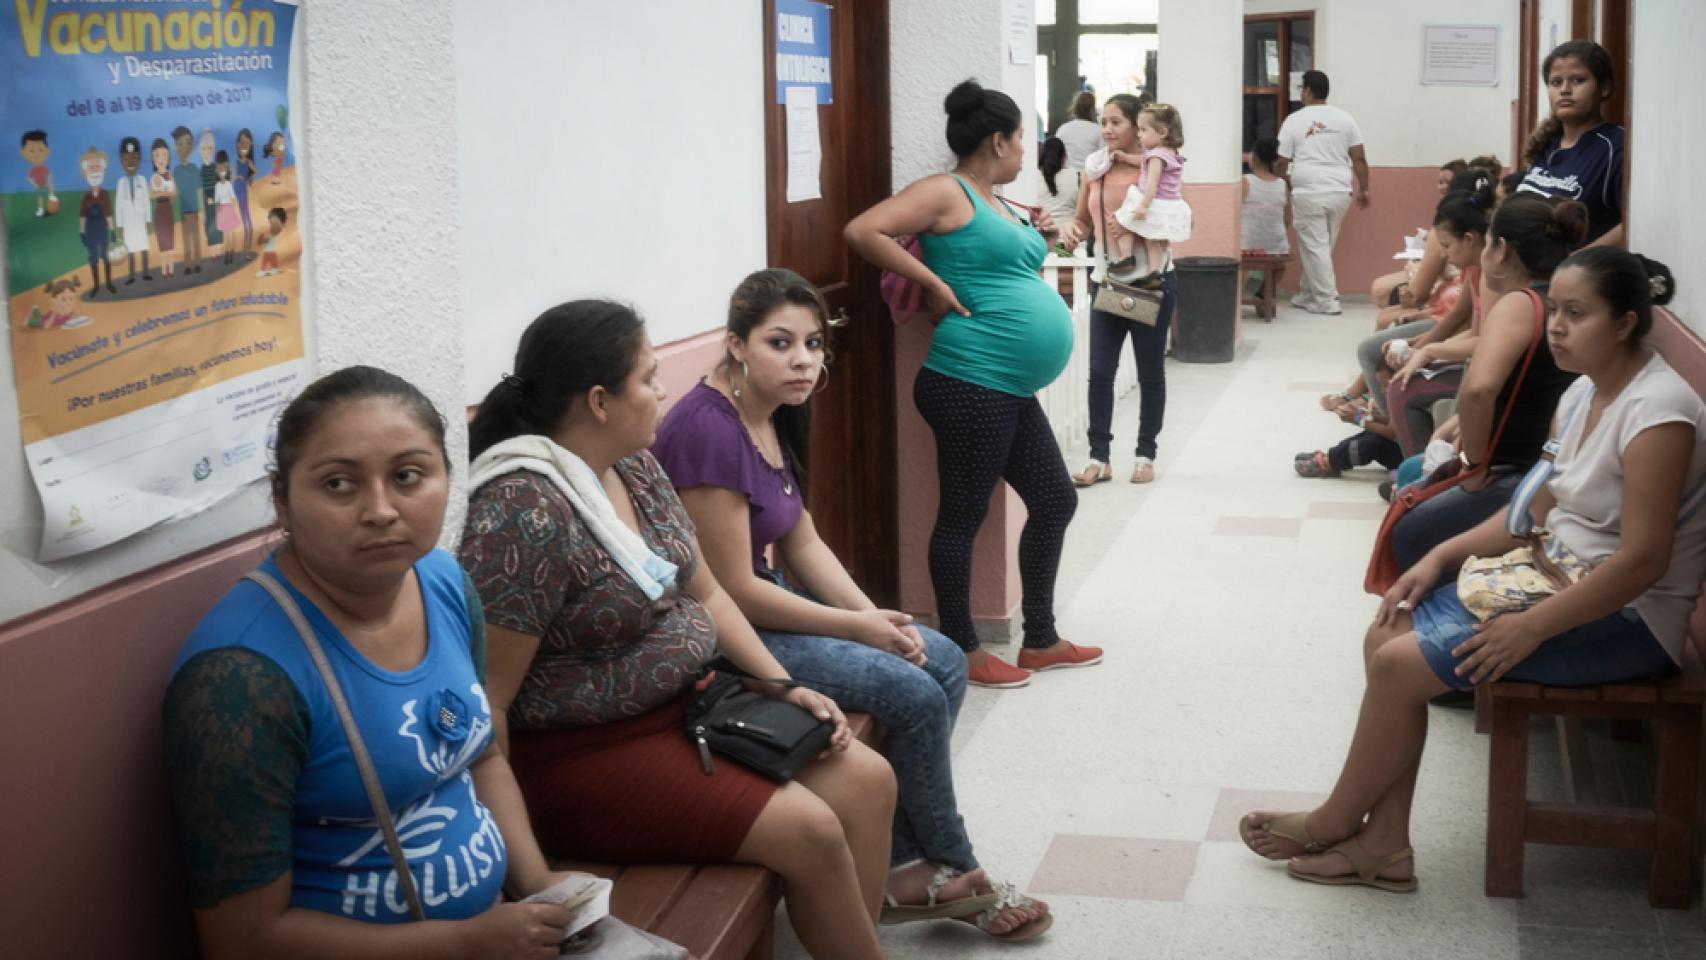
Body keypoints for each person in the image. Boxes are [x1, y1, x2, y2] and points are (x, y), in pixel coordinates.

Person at [1241, 250, 1703, 893]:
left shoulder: (1660, 413)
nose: (1557, 329)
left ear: (1625, 323)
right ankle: (1383, 845)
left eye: (1577, 314)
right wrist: (1438, 558)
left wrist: (1531, 628)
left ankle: (1337, 818)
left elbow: (1643, 561)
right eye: (1556, 313)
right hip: (1553, 577)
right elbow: (1530, 509)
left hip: (1625, 618)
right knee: (1388, 632)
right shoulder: (1581, 393)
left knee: (1401, 665)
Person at [459, 301, 896, 960]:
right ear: (600, 401)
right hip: (583, 756)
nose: (664, 389)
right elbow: (487, 702)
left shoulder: (633, 465)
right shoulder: (523, 511)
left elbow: (711, 592)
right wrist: (530, 875)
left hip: (689, 709)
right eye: (649, 377)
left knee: (868, 782)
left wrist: (779, 685)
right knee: (811, 832)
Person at [655, 268, 1053, 940]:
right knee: (916, 693)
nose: (803, 361)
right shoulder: (707, 430)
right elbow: (734, 590)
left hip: (766, 604)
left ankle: (900, 862)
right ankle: (952, 866)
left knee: (944, 659)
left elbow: (801, 540)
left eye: (813, 344)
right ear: (736, 345)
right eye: (780, 343)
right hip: (722, 633)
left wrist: (878, 618)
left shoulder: (772, 411)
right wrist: (856, 627)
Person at [163, 366, 580, 957]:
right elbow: (244, 940)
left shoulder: (443, 581)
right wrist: (462, 944)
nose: (381, 510)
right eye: (338, 485)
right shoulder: (240, 679)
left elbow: (482, 755)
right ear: (282, 500)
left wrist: (538, 888)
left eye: (408, 476)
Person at [844, 80, 1099, 689]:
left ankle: (1039, 639)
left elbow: (1003, 266)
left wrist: (1044, 237)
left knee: (1056, 500)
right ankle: (960, 645)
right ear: (998, 140)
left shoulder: (995, 200)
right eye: (1023, 141)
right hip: (968, 379)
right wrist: (932, 284)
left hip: (1003, 386)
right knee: (962, 515)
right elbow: (863, 231)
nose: (1027, 154)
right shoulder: (945, 191)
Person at [1389, 196, 1587, 575]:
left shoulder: (1519, 304)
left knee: (1406, 533)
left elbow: (1479, 390)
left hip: (1518, 471)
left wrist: (1475, 467)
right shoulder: (1558, 302)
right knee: (1414, 469)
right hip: (1541, 463)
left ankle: (1431, 609)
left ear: (1500, 250)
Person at [1059, 93, 1177, 488]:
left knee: (1149, 373)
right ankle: (1099, 458)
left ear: (1137, 128)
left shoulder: (1155, 170)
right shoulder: (1094, 170)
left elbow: (1173, 221)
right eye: (1103, 121)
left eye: (1117, 122)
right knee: (1100, 373)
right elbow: (1081, 221)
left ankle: (1145, 455)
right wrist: (1070, 235)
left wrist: (1131, 227)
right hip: (1107, 283)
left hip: (1150, 282)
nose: (1107, 129)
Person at [1276, 70, 1369, 315]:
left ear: (1306, 90)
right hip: (1340, 191)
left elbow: (1281, 160)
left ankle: (1327, 300)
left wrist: (1284, 180)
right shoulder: (1345, 119)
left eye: (1301, 89)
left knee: (1315, 246)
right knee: (1321, 246)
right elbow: (1358, 157)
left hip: (1308, 192)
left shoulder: (1294, 120)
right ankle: (1308, 293)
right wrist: (1365, 189)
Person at [1516, 40, 1625, 248]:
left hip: (1577, 274)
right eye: (1556, 82)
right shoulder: (1547, 144)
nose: (1565, 90)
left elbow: (1630, 223)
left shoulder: (1616, 147)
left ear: (1604, 88)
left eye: (1578, 80)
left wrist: (1574, 263)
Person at [1108, 103, 1190, 287]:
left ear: (1162, 132)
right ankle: (1155, 272)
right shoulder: (1169, 153)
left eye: (1144, 130)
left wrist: (1144, 205)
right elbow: (1142, 162)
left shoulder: (1156, 156)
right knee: (1155, 241)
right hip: (1170, 203)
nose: (1139, 134)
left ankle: (1126, 257)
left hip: (1154, 201)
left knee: (1121, 220)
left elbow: (1152, 181)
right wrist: (1126, 158)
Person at [113, 136, 154, 284]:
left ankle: (145, 272)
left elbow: (147, 202)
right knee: (130, 249)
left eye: (135, 157)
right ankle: (131, 276)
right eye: (126, 158)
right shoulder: (120, 183)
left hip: (140, 221)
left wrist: (148, 221)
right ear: (121, 160)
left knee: (143, 247)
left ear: (140, 159)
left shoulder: (142, 180)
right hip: (128, 223)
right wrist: (119, 226)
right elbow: (118, 205)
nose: (130, 162)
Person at [1241, 137, 1289, 258]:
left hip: (1247, 246)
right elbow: (1287, 219)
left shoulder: (1245, 182)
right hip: (1277, 247)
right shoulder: (1282, 185)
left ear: (1255, 158)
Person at [77, 147, 116, 296]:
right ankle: (96, 286)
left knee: (106, 257)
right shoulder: (86, 197)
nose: (94, 170)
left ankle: (109, 283)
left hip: (102, 230)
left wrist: (112, 230)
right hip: (90, 231)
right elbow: (82, 216)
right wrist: (82, 233)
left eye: (97, 166)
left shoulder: (105, 195)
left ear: (103, 168)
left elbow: (108, 213)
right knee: (93, 258)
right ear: (86, 171)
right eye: (91, 167)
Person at [1035, 137, 1079, 242]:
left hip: (1042, 241)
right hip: (1069, 241)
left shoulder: (1033, 177)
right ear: (1064, 156)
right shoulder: (1076, 176)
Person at [172, 126, 204, 273]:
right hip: (183, 213)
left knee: (196, 238)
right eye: (180, 144)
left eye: (188, 143)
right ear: (175, 147)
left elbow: (199, 191)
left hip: (195, 211)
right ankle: (187, 265)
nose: (184, 148)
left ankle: (197, 262)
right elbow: (174, 194)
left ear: (191, 146)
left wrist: (201, 212)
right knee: (186, 240)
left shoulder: (194, 169)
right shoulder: (176, 172)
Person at [149, 138, 178, 277]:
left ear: (168, 157)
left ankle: (171, 268)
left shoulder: (170, 176)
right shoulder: (154, 177)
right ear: (153, 158)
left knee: (170, 239)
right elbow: (152, 194)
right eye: (157, 155)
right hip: (159, 209)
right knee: (162, 240)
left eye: (164, 155)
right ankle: (163, 269)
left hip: (168, 208)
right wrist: (162, 192)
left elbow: (174, 192)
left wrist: (168, 192)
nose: (161, 158)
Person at [1053, 90, 1103, 171]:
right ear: (1093, 109)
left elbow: (1055, 154)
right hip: (1089, 176)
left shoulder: (1063, 129)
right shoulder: (1098, 131)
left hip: (1066, 175)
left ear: (1074, 108)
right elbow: (1103, 158)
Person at [214, 151, 240, 266]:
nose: (222, 170)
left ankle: (231, 253)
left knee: (231, 233)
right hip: (222, 210)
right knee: (226, 234)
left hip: (229, 208)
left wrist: (233, 209)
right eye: (220, 167)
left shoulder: (229, 184)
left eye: (224, 166)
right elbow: (216, 199)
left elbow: (234, 197)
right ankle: (227, 253)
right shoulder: (217, 185)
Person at [234, 128, 258, 254]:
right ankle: (246, 246)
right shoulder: (237, 162)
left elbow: (255, 171)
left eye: (247, 144)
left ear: (250, 146)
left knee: (245, 217)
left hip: (243, 191)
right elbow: (232, 177)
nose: (244, 147)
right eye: (242, 143)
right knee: (243, 217)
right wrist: (237, 178)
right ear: (237, 145)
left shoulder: (248, 162)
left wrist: (247, 178)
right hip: (237, 191)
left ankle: (247, 246)